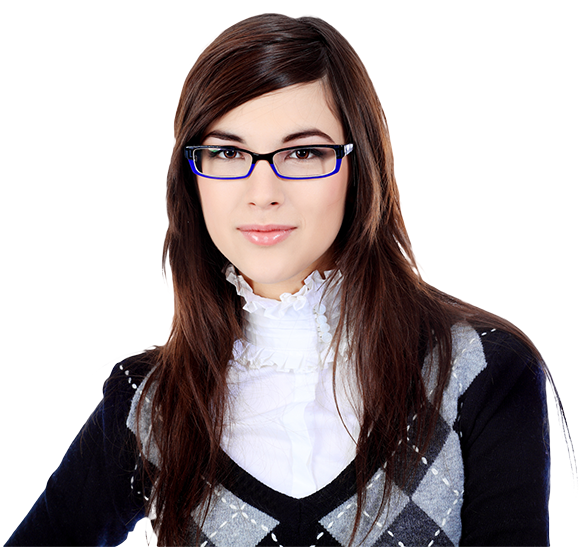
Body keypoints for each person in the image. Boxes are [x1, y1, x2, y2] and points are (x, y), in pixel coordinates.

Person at [6, 12, 577, 547]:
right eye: (228, 153)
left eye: (303, 153)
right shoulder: (152, 403)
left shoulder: (477, 371)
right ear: (191, 177)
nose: (262, 192)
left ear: (360, 166)